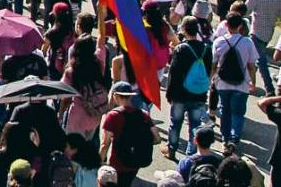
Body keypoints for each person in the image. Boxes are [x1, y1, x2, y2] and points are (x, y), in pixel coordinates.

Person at [164, 15, 211, 158]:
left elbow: (174, 73)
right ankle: (191, 154)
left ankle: (172, 149)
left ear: (183, 29)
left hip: (180, 94)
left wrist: (169, 93)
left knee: (175, 123)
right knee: (195, 126)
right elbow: (208, 71)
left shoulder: (181, 49)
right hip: (198, 94)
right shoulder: (206, 49)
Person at [212, 13, 258, 145]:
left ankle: (225, 138)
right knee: (237, 113)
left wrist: (211, 79)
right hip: (241, 84)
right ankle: (234, 138)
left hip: (222, 83)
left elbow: (214, 65)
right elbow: (251, 65)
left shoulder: (219, 42)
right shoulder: (247, 42)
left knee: (225, 111)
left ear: (226, 25)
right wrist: (253, 82)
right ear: (240, 26)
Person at [99, 82, 156, 186]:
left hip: (117, 162)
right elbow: (157, 139)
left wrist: (99, 163)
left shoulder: (113, 115)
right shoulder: (144, 114)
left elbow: (104, 144)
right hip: (136, 162)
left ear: (115, 95)